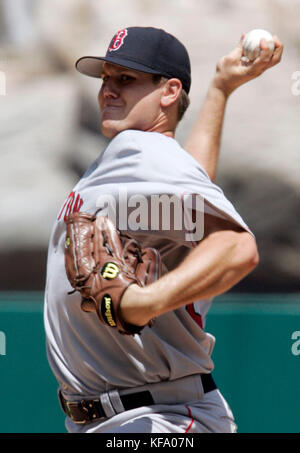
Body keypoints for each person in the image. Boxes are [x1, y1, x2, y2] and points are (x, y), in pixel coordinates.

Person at [44, 26, 283, 433]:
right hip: (134, 416)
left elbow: (238, 248)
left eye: (126, 79)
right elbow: (192, 192)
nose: (108, 91)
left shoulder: (139, 149)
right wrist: (220, 91)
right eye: (105, 79)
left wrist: (144, 302)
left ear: (169, 91)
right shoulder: (148, 159)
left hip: (156, 420)